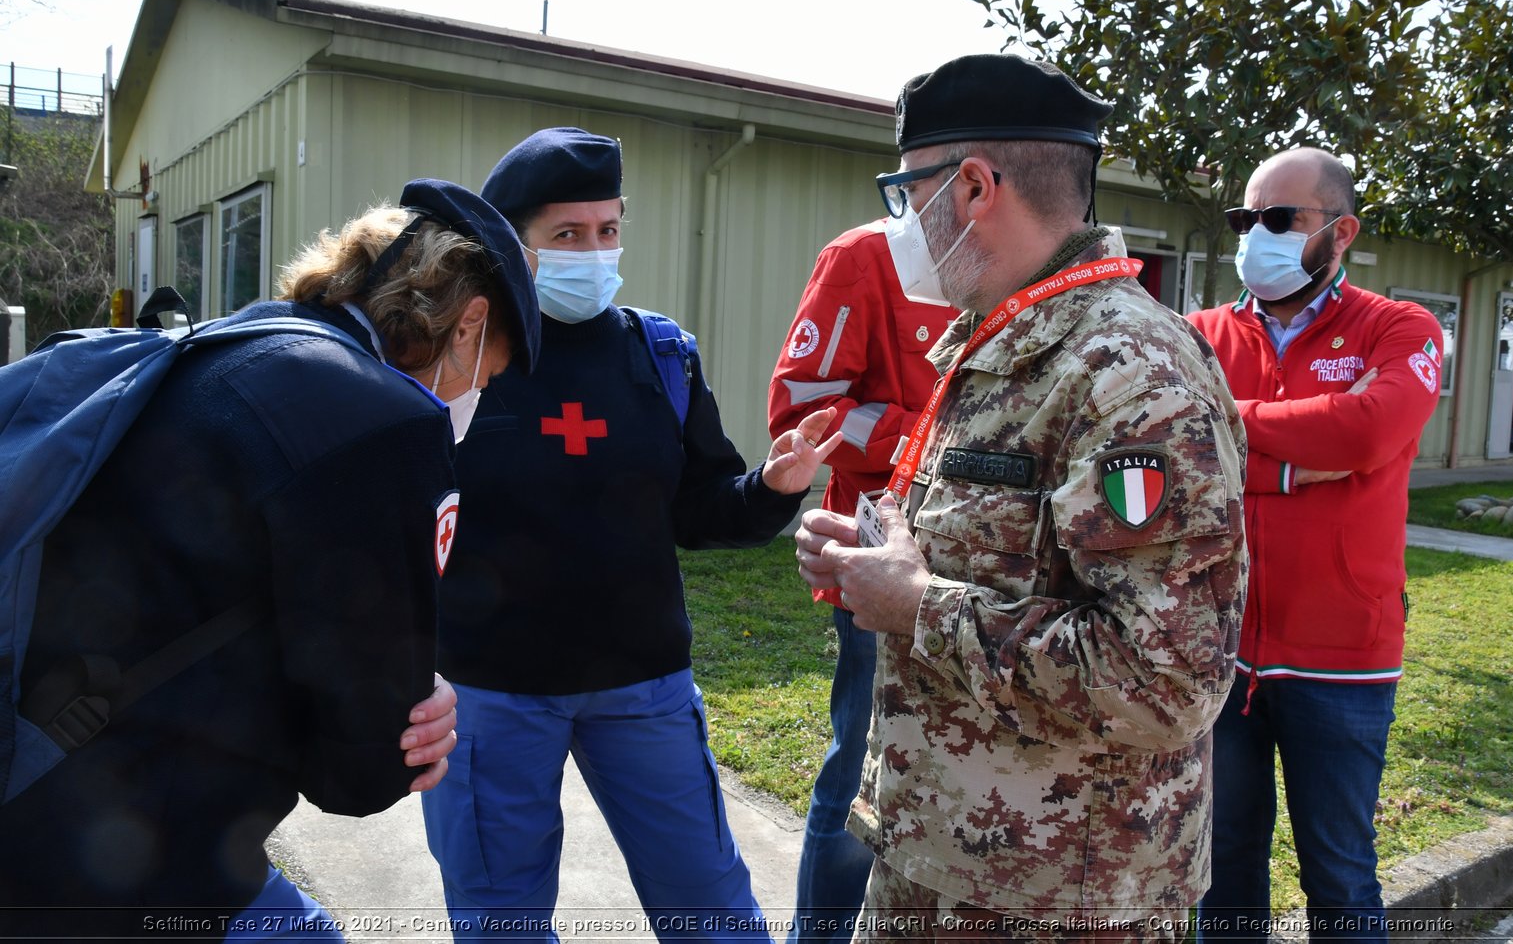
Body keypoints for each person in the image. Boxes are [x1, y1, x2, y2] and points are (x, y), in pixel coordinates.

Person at [0, 179, 542, 940]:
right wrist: (412, 706)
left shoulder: (230, 345)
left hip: (42, 782)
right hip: (126, 858)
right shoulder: (382, 423)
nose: (474, 397)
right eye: (486, 376)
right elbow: (359, 775)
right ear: (470, 323)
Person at [793, 53, 1248, 942]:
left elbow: (1163, 681)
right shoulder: (1008, 337)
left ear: (970, 187)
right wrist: (876, 551)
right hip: (948, 862)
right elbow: (1005, 547)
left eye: (906, 193)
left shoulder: (1127, 374)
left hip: (1058, 902)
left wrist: (917, 606)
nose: (903, 223)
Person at [421, 126, 841, 942]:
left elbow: (699, 507)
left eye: (608, 230)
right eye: (567, 234)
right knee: (497, 922)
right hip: (493, 694)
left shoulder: (660, 356)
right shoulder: (457, 359)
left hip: (641, 690)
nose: (594, 251)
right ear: (510, 243)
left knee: (713, 913)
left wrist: (771, 486)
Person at [1188, 147, 1445, 943]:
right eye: (1245, 219)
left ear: (1341, 232)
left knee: (1338, 873)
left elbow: (1369, 429)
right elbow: (1173, 457)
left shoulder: (1400, 328)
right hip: (1221, 654)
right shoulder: (1199, 333)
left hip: (1344, 661)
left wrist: (1231, 425)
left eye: (1279, 218)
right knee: (1222, 868)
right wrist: (1309, 466)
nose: (1255, 235)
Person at [767, 222, 956, 943]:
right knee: (861, 775)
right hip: (880, 555)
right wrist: (949, 440)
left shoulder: (1020, 252)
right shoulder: (866, 257)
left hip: (990, 572)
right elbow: (800, 412)